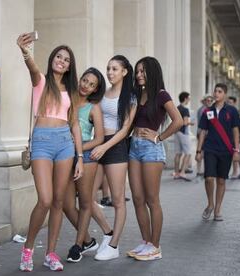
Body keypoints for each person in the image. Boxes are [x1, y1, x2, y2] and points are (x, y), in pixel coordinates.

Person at [17, 34, 84, 271]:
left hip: (65, 143)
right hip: (43, 142)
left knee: (58, 200)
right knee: (44, 199)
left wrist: (80, 157)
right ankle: (28, 248)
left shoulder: (72, 91)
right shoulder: (41, 82)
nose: (62, 61)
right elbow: (31, 66)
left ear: (69, 66)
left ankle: (51, 253)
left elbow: (74, 123)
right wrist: (25, 51)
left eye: (66, 60)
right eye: (59, 56)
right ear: (52, 59)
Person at [128, 57, 183, 261]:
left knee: (152, 199)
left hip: (151, 149)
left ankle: (156, 246)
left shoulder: (161, 95)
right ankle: (145, 243)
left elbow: (178, 121)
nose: (139, 75)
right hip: (134, 147)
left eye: (143, 71)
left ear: (153, 72)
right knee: (137, 198)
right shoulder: (137, 94)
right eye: (137, 71)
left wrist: (158, 136)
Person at [91, 55, 137, 261]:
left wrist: (105, 146)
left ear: (125, 72)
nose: (110, 72)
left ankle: (114, 245)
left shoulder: (131, 96)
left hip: (116, 147)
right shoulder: (102, 92)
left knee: (118, 200)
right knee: (86, 198)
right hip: (97, 144)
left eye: (115, 69)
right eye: (108, 68)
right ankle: (107, 232)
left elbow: (126, 128)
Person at [63, 67, 106, 262]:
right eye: (85, 80)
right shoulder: (68, 100)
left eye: (91, 85)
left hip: (86, 158)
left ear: (95, 89)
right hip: (64, 156)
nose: (86, 86)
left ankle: (78, 245)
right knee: (66, 205)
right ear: (79, 79)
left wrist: (79, 148)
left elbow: (99, 138)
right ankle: (88, 240)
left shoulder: (93, 107)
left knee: (85, 202)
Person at [195, 83, 240, 221]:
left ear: (225, 94)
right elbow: (203, 131)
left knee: (221, 180)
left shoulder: (232, 111)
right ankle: (210, 204)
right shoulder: (207, 111)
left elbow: (235, 131)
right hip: (210, 149)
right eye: (215, 91)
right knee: (209, 178)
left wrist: (237, 150)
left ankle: (217, 209)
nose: (216, 94)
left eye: (220, 91)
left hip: (226, 150)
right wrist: (199, 150)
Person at [173, 91, 194, 181]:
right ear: (185, 98)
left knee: (178, 153)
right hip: (183, 133)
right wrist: (191, 123)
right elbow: (185, 122)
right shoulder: (185, 109)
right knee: (188, 153)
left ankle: (176, 173)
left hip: (176, 132)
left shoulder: (176, 108)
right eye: (188, 98)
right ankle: (182, 172)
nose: (189, 99)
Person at [227, 96, 240, 179]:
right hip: (228, 136)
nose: (229, 104)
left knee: (236, 153)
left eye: (230, 102)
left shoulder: (235, 111)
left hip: (235, 136)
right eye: (228, 102)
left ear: (234, 103)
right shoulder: (226, 110)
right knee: (235, 154)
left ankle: (237, 172)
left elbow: (239, 125)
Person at [195, 95, 213, 176]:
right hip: (204, 133)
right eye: (208, 100)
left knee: (203, 151)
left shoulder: (203, 109)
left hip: (203, 132)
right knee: (202, 152)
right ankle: (200, 170)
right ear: (205, 101)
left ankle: (200, 170)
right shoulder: (205, 110)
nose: (209, 102)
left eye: (211, 101)